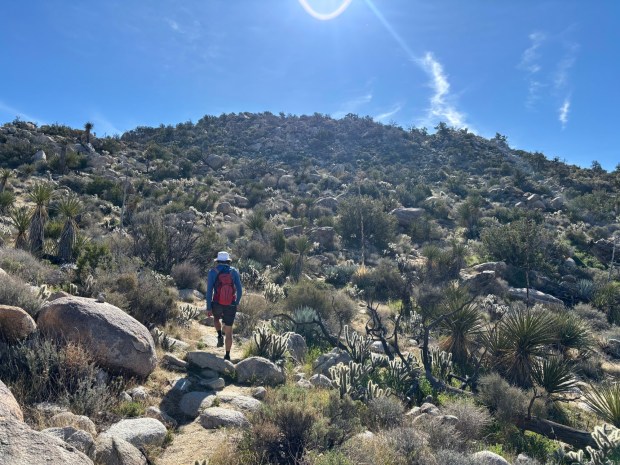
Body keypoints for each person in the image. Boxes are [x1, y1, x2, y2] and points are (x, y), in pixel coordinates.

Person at [205, 251, 242, 361]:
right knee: (229, 331)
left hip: (217, 303)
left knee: (216, 319)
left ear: (218, 261)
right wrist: (236, 302)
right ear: (228, 261)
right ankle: (227, 355)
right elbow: (239, 290)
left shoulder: (212, 272)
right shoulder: (234, 272)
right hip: (230, 304)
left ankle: (219, 335)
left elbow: (209, 291)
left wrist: (208, 307)